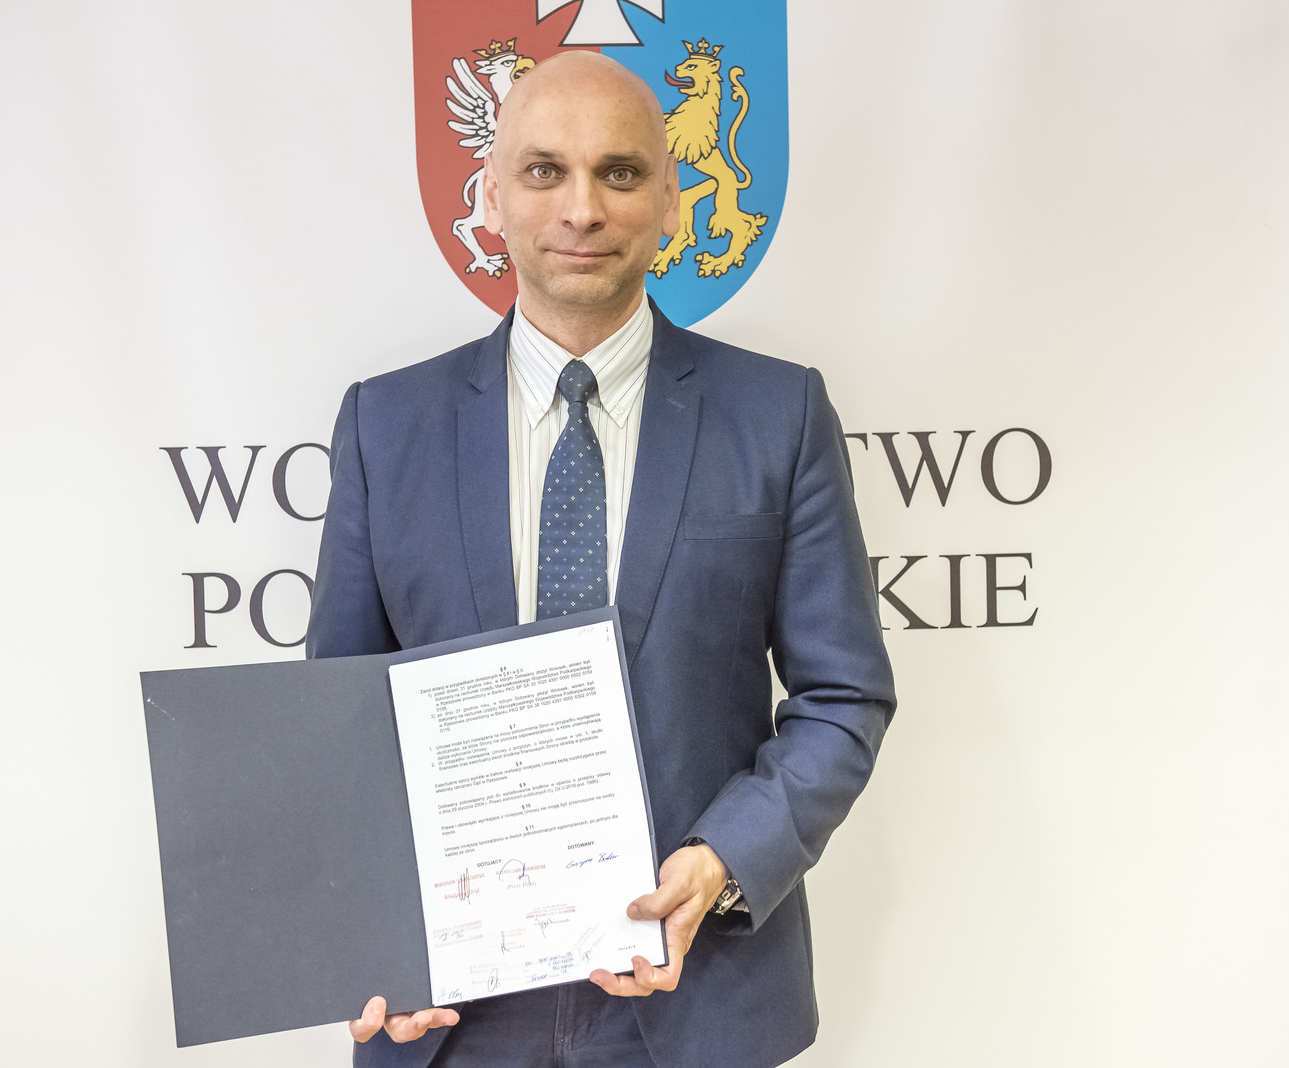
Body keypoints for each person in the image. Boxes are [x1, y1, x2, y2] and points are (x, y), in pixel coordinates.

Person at [307, 50, 894, 1068]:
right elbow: (337, 721)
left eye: (620, 172)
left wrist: (722, 861)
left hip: (699, 999)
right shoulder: (384, 427)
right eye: (545, 171)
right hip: (452, 1015)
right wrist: (370, 935)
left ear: (671, 200)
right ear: (491, 197)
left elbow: (843, 697)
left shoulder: (778, 415)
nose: (582, 208)